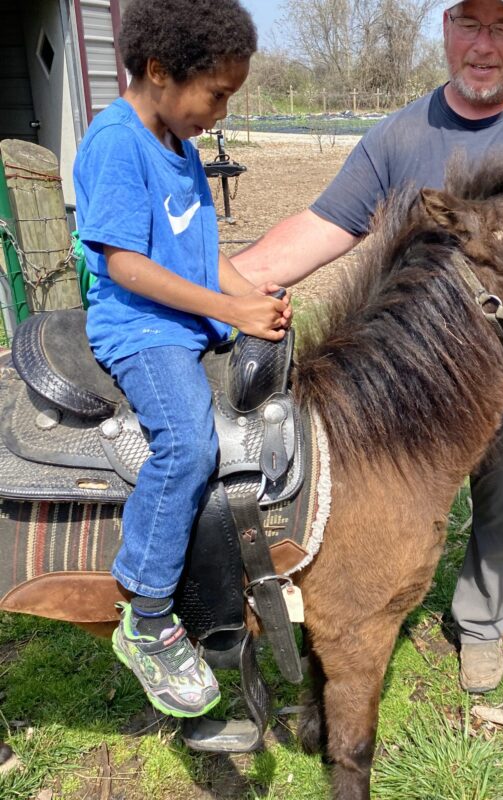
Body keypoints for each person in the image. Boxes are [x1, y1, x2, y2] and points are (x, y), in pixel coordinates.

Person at [233, 0, 503, 693]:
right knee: (398, 505)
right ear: (446, 29)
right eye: (468, 24)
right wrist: (212, 287)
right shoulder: (400, 135)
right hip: (421, 387)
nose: (482, 45)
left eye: (502, 27)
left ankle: (481, 624)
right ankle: (371, 591)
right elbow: (320, 228)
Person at [74, 0, 291, 717]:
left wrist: (251, 295)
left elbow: (203, 251)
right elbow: (126, 264)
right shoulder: (116, 142)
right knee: (187, 446)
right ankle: (147, 613)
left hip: (189, 322)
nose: (220, 110)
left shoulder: (183, 149)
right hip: (142, 328)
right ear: (160, 72)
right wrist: (229, 310)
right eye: (217, 93)